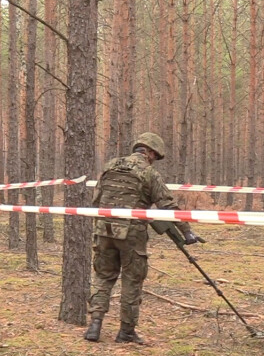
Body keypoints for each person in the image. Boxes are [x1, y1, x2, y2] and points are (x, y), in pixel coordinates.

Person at [84, 132, 203, 344]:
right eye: (155, 156)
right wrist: (187, 231)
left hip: (104, 229)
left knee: (103, 276)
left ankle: (95, 325)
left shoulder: (110, 166)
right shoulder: (148, 173)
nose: (154, 160)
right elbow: (167, 204)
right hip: (131, 233)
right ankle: (126, 332)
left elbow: (97, 199)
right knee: (132, 280)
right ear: (150, 153)